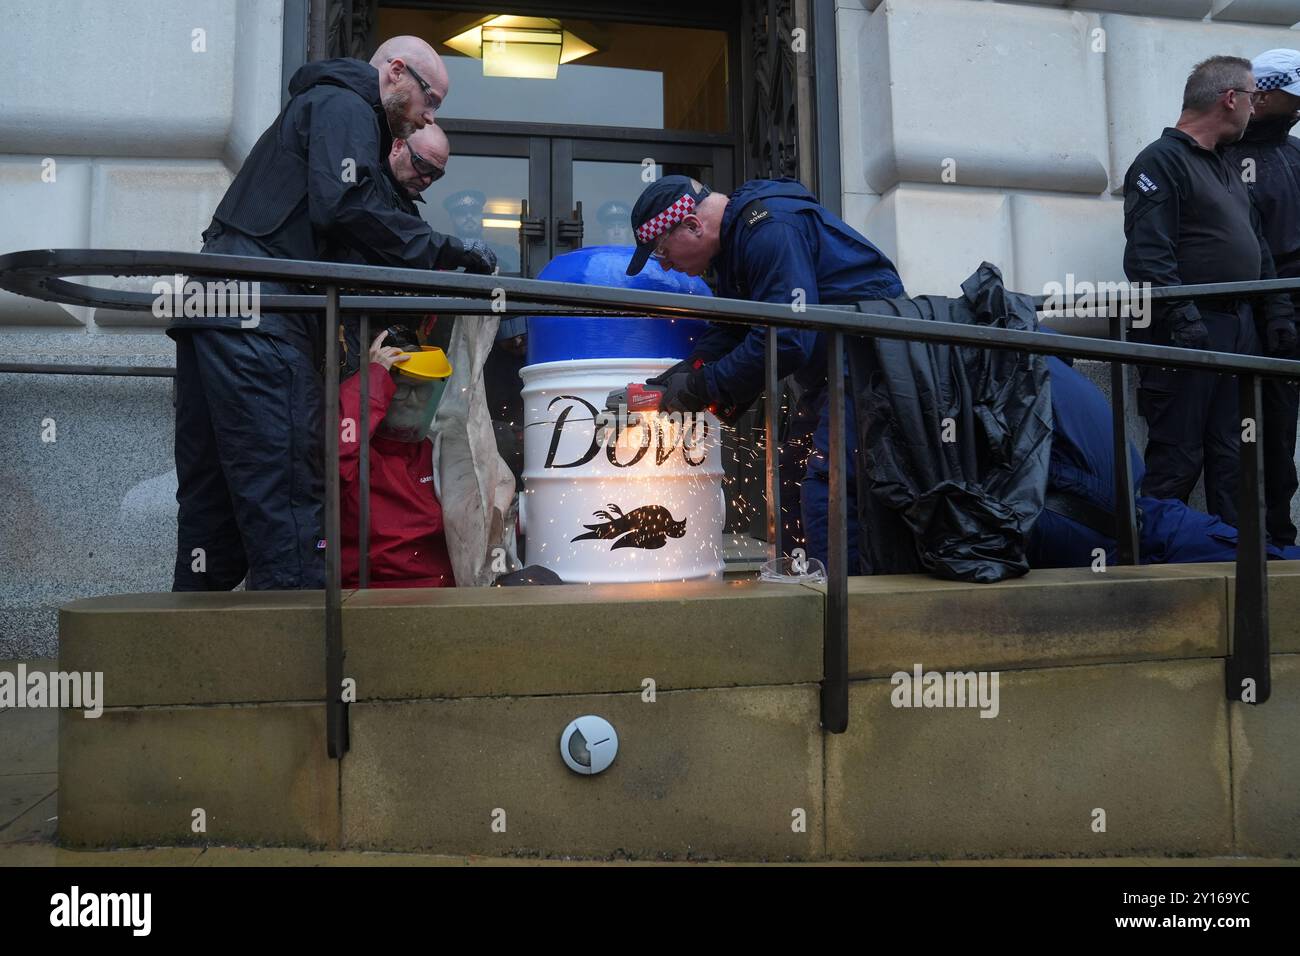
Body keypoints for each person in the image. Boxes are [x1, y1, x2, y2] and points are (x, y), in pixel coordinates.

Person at [169, 36, 497, 592]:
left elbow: (334, 219)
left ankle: (182, 659)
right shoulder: (348, 104)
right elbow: (345, 206)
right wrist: (444, 251)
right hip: (262, 318)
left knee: (213, 509)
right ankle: (299, 672)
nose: (427, 118)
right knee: (291, 500)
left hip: (217, 311)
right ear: (396, 72)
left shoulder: (318, 109)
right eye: (431, 100)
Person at [623, 175, 904, 569]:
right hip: (831, 371)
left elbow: (786, 338)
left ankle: (845, 610)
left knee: (829, 487)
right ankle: (799, 585)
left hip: (867, 364)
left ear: (691, 225)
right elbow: (733, 328)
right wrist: (678, 378)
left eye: (662, 250)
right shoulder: (738, 244)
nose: (665, 262)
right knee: (789, 479)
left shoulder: (769, 229)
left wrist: (701, 387)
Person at [1122, 55, 1296, 528]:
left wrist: (1277, 314)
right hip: (1190, 330)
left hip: (1238, 327)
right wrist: (1185, 321)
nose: (1254, 111)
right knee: (1178, 459)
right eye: (1250, 99)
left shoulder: (1223, 164)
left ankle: (1236, 572)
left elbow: (1258, 249)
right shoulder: (1160, 161)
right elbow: (1148, 257)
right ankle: (1151, 575)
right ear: (1229, 98)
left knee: (1237, 460)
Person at [1221, 49, 1300, 546]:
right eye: (1293, 98)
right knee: (1245, 435)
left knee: (1281, 435)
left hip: (1292, 315)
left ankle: (1280, 534)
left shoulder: (1296, 154)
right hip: (1249, 316)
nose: (1299, 109)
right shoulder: (1222, 155)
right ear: (1263, 94)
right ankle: (1248, 540)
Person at [340, 327, 455, 588]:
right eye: (402, 389)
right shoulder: (358, 454)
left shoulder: (436, 450)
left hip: (444, 594)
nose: (413, 401)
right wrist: (372, 379)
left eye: (423, 390)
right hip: (374, 596)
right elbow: (337, 460)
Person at [443, 188, 521, 274]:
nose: (469, 216)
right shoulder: (442, 253)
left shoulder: (507, 253)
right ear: (452, 218)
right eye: (461, 213)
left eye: (474, 212)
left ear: (481, 215)